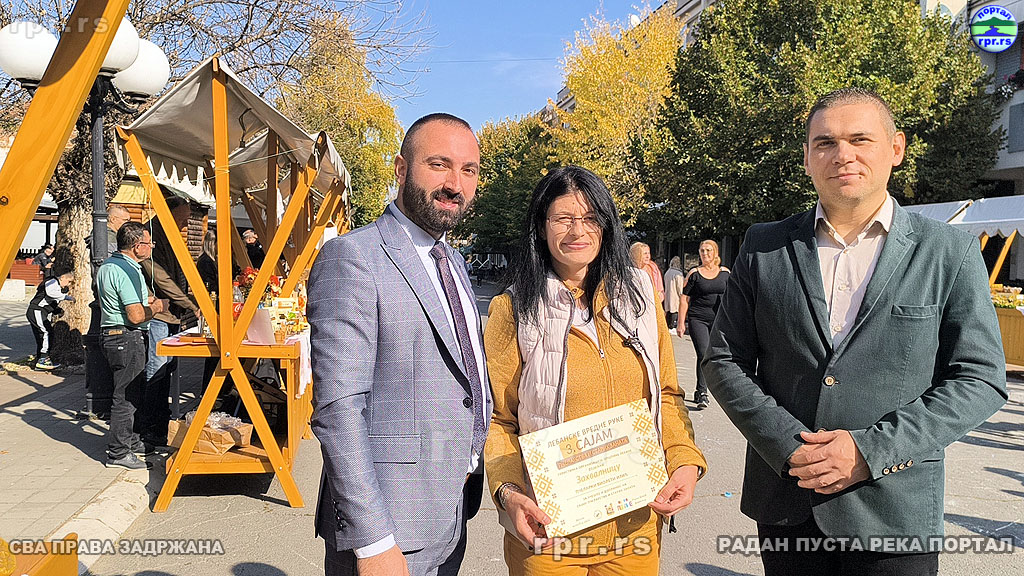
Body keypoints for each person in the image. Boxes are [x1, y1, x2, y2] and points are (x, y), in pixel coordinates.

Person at [703, 88, 1007, 576]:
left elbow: (980, 378)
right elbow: (723, 359)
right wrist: (788, 445)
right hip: (788, 502)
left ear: (896, 148)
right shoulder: (763, 246)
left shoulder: (949, 252)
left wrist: (871, 451)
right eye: (825, 142)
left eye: (860, 139)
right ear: (806, 157)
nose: (842, 154)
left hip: (895, 510)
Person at [484, 166, 707, 576]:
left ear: (606, 225)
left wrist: (684, 460)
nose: (578, 231)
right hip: (548, 535)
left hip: (635, 530)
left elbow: (667, 394)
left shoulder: (640, 297)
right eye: (563, 218)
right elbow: (498, 420)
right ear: (541, 227)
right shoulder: (513, 310)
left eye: (590, 217)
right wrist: (509, 492)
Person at [308, 113, 491, 576]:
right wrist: (373, 542)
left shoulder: (453, 261)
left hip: (450, 511)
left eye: (468, 170)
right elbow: (337, 409)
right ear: (401, 169)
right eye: (439, 164)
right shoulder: (353, 256)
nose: (455, 184)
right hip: (389, 531)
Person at [96, 221, 168, 470]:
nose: (152, 247)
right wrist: (157, 307)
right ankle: (118, 452)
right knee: (125, 396)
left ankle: (131, 441)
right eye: (149, 243)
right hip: (126, 336)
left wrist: (146, 300)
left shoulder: (110, 265)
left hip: (114, 335)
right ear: (137, 246)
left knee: (132, 392)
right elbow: (136, 315)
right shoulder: (126, 269)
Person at [140, 196, 199, 449]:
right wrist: (191, 303)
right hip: (159, 314)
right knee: (158, 369)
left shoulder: (168, 234)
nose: (185, 224)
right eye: (182, 218)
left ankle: (161, 423)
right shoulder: (151, 235)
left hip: (172, 313)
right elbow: (161, 278)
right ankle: (150, 427)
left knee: (167, 368)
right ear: (169, 213)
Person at [678, 240, 729, 410]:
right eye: (702, 251)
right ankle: (702, 392)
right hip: (698, 319)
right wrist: (681, 322)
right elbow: (684, 298)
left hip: (718, 320)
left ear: (715, 253)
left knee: (717, 355)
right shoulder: (694, 274)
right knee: (703, 353)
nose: (705, 254)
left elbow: (733, 297)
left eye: (708, 250)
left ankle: (715, 389)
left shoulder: (725, 273)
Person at [26, 269, 74, 370]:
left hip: (39, 312)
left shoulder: (56, 287)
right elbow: (50, 293)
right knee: (46, 332)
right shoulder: (52, 282)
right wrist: (66, 297)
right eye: (69, 281)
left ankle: (39, 360)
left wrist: (58, 310)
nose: (68, 285)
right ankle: (43, 359)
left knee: (42, 335)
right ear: (62, 277)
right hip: (36, 311)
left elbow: (50, 302)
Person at [663, 256, 685, 330]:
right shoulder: (678, 273)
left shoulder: (667, 272)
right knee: (675, 311)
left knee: (668, 311)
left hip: (668, 294)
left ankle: (667, 326)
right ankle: (672, 326)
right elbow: (680, 287)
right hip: (675, 295)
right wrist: (682, 295)